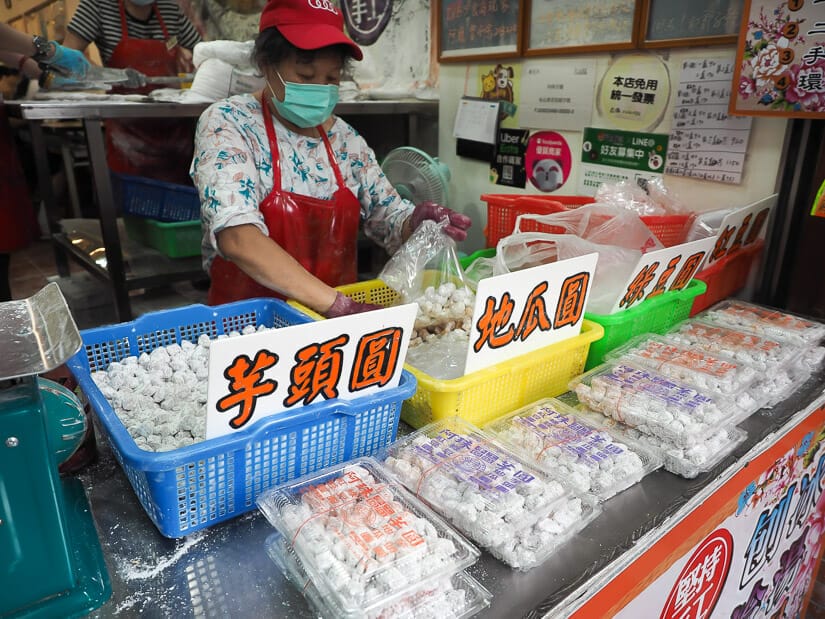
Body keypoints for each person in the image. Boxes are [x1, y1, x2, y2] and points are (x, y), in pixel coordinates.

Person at [191, 0, 471, 317]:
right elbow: (238, 237)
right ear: (267, 65)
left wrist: (413, 222)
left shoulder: (346, 140)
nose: (319, 89)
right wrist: (334, 304)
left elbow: (389, 219)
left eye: (331, 80)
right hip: (248, 325)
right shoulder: (228, 124)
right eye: (305, 74)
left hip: (334, 330)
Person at [63, 0, 202, 184]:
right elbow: (66, 58)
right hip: (125, 135)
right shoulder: (97, 6)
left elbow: (204, 52)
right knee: (131, 199)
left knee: (179, 200)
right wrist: (110, 75)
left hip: (174, 135)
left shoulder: (169, 8)